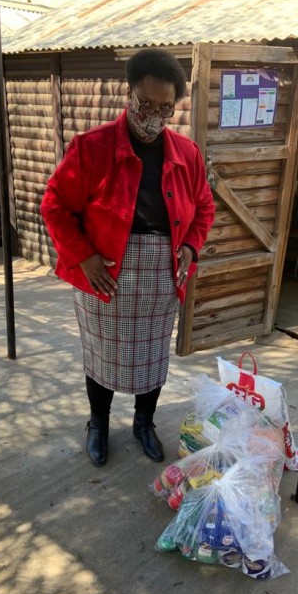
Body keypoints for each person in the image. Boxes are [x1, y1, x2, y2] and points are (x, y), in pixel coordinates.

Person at [41, 48, 215, 467]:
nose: (153, 116)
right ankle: (98, 423)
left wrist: (190, 246)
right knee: (101, 354)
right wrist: (84, 257)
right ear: (129, 94)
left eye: (165, 108)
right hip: (105, 271)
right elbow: (55, 205)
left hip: (160, 273)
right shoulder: (91, 147)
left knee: (152, 357)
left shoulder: (187, 153)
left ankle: (143, 423)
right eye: (145, 104)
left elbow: (204, 207)